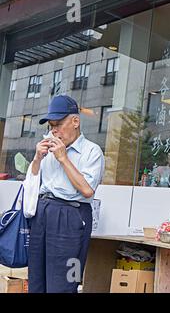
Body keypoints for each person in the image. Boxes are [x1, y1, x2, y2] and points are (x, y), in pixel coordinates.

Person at [28, 95, 105, 293]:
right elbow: (34, 182)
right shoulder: (48, 148)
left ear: (75, 121)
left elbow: (88, 190)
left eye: (58, 124)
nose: (54, 130)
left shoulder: (92, 151)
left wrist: (63, 158)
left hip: (72, 216)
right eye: (51, 126)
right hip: (42, 213)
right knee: (37, 280)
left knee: (64, 284)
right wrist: (37, 158)